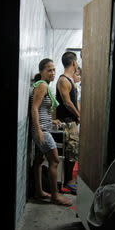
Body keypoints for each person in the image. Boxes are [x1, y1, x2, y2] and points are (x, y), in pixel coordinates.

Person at [30, 58, 73, 206]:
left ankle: (39, 191)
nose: (53, 72)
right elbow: (34, 108)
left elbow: (42, 109)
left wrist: (52, 121)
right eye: (49, 70)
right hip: (41, 130)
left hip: (43, 127)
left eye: (54, 70)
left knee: (39, 160)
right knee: (54, 160)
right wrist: (39, 131)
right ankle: (55, 196)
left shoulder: (44, 86)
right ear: (41, 71)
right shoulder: (42, 85)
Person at [56, 52, 80, 195]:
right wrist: (78, 115)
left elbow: (74, 100)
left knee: (73, 151)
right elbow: (67, 102)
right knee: (70, 151)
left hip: (72, 122)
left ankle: (69, 180)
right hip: (66, 122)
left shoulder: (71, 80)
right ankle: (68, 182)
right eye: (77, 62)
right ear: (74, 63)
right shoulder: (63, 80)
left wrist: (79, 115)